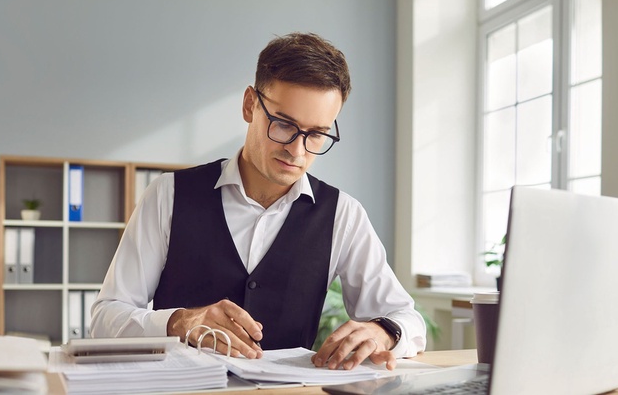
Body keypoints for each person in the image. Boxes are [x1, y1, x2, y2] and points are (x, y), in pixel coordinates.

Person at [90, 32, 425, 371]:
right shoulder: (167, 195)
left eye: (317, 134)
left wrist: (383, 332)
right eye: (283, 125)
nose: (297, 150)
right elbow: (105, 320)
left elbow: (407, 318)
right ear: (250, 105)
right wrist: (179, 322)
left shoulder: (343, 215)